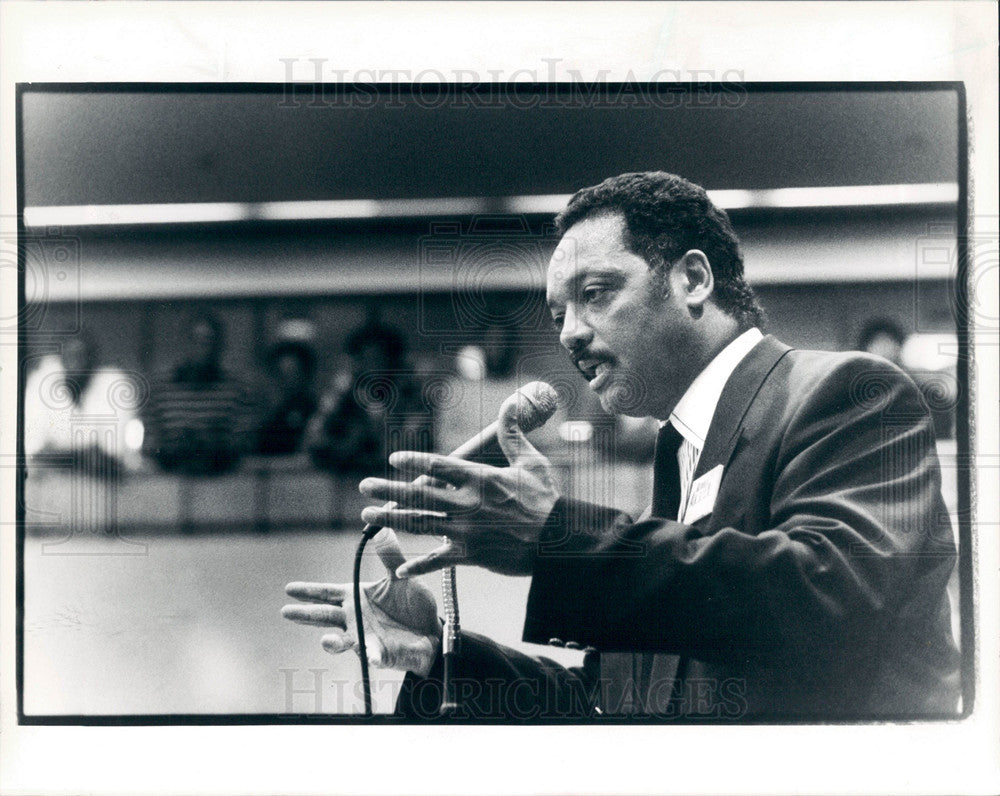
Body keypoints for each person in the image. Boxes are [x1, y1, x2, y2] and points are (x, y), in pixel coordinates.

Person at [283, 172, 960, 720]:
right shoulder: (679, 453)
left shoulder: (848, 392)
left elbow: (829, 597)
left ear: (693, 280)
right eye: (558, 314)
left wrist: (558, 537)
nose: (571, 333)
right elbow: (615, 704)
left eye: (596, 294)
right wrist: (439, 655)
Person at [305, 313, 433, 478]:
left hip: (400, 483)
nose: (371, 368)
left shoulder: (412, 399)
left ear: (393, 362)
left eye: (378, 360)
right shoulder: (341, 399)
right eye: (364, 360)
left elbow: (406, 449)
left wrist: (376, 429)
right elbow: (315, 443)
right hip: (347, 488)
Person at [142, 310, 257, 475]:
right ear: (184, 343)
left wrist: (212, 446)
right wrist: (178, 447)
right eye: (196, 341)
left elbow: (243, 444)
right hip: (169, 484)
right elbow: (149, 444)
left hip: (222, 484)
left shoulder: (237, 391)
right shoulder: (159, 390)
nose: (203, 349)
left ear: (220, 346)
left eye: (209, 341)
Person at [24, 330, 143, 476]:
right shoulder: (42, 384)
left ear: (94, 359)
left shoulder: (113, 384)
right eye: (70, 355)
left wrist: (61, 454)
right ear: (61, 359)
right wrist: (83, 454)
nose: (76, 362)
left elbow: (113, 454)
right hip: (55, 483)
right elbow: (33, 452)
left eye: (82, 355)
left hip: (104, 483)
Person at [256, 319, 319, 455]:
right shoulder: (263, 411)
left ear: (304, 375)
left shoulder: (314, 410)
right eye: (282, 374)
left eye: (293, 374)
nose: (287, 381)